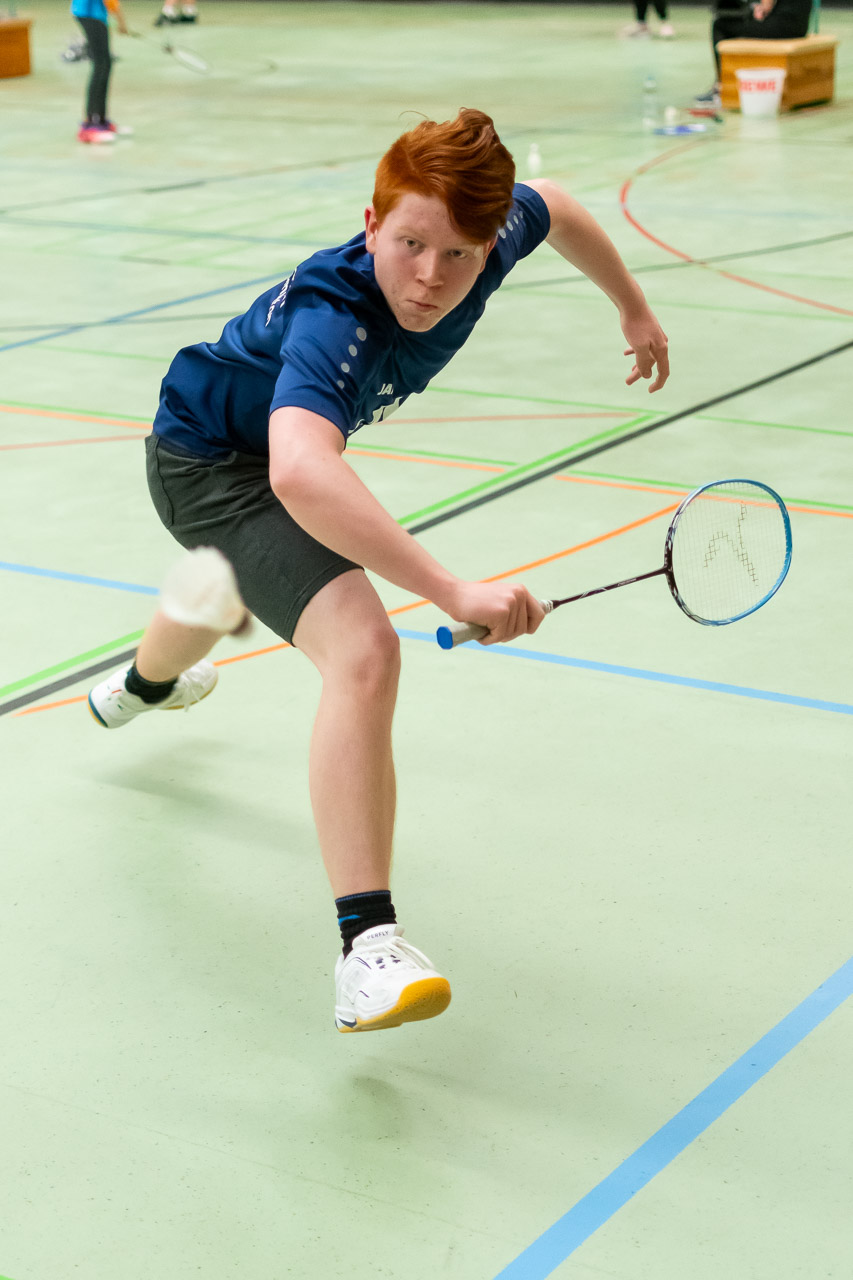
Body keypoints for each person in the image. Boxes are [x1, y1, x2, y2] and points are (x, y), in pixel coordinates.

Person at [87, 109, 669, 1035]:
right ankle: (367, 951)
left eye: (459, 254)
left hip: (257, 449)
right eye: (409, 245)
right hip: (208, 462)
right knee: (363, 650)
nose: (430, 276)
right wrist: (450, 591)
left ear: (489, 244)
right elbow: (299, 472)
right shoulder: (335, 317)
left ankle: (140, 687)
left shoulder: (491, 234)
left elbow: (554, 204)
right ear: (370, 225)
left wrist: (630, 306)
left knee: (223, 583)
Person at [695, 0, 812, 106]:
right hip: (799, 27)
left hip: (781, 26)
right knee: (744, 22)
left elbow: (766, 7)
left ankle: (721, 88)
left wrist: (760, 8)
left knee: (721, 25)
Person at [70, 0, 129, 144]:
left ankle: (101, 120)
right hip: (90, 14)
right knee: (101, 66)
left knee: (105, 64)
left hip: (96, 14)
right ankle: (90, 126)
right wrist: (121, 20)